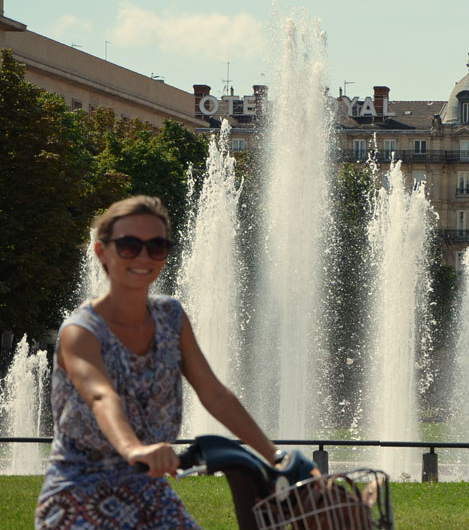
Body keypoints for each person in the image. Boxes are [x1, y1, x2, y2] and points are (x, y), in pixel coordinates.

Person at [36, 196, 285, 529]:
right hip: (80, 494)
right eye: (128, 245)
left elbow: (214, 394)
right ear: (102, 252)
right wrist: (135, 449)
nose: (143, 256)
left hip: (149, 491)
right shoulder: (80, 331)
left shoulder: (171, 317)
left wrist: (276, 457)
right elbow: (101, 397)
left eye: (157, 246)